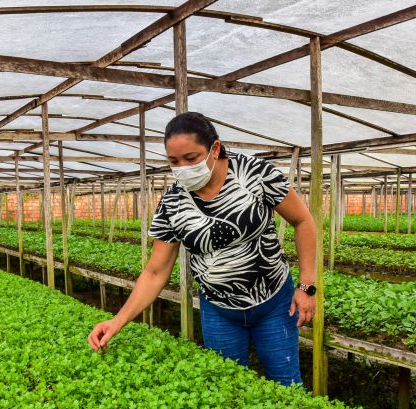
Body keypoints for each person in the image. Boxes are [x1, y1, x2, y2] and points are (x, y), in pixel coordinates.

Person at [88, 112, 317, 387]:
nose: (183, 167)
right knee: (226, 386)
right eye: (174, 161)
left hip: (274, 303)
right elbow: (155, 272)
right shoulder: (173, 202)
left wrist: (307, 287)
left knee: (286, 384)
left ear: (215, 148)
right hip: (219, 311)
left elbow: (303, 221)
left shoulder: (256, 174)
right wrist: (118, 321)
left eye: (191, 158)